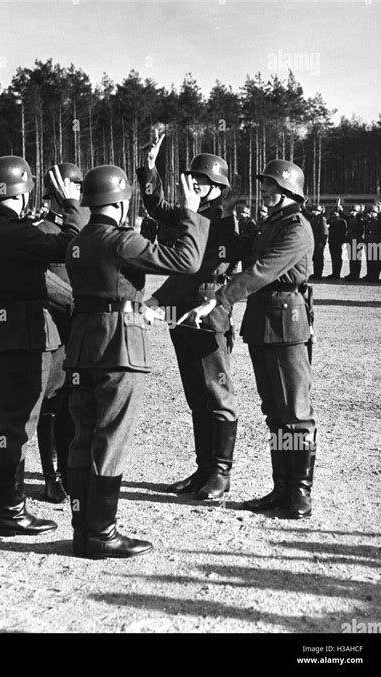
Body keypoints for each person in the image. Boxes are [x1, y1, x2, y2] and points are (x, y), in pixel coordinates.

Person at [64, 164, 210, 559]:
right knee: (110, 438)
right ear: (122, 200)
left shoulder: (78, 240)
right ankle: (102, 534)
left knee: (83, 437)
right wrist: (191, 211)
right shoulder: (120, 240)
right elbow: (187, 260)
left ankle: (83, 528)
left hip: (82, 347)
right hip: (118, 347)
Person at [179, 159, 318, 520]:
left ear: (289, 191)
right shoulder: (269, 225)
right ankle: (281, 487)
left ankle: (299, 492)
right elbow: (238, 249)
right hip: (262, 323)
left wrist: (220, 297)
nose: (265, 192)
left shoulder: (296, 228)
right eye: (265, 186)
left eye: (271, 187)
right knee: (274, 413)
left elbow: (261, 271)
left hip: (287, 324)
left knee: (295, 414)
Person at [0, 155, 83, 537]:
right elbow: (71, 246)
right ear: (23, 190)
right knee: (17, 425)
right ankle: (11, 512)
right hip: (24, 336)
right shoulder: (19, 232)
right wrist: (71, 205)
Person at [137, 137, 253, 501]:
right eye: (189, 179)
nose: (191, 185)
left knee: (217, 395)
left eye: (199, 181)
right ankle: (203, 468)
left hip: (210, 315)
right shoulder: (192, 215)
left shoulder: (226, 223)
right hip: (182, 316)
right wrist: (150, 168)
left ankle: (220, 473)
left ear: (218, 188)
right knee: (196, 396)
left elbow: (208, 270)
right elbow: (156, 207)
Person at [33, 162, 89, 502]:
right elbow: (39, 276)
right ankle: (52, 476)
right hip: (52, 327)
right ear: (52, 197)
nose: (77, 196)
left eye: (80, 190)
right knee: (51, 402)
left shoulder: (82, 229)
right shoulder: (39, 231)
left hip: (80, 329)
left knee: (75, 400)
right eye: (70, 190)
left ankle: (71, 471)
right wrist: (73, 301)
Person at [362, 205, 381, 282]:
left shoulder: (379, 222)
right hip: (368, 242)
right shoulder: (368, 221)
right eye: (370, 212)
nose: (371, 213)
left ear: (377, 213)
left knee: (376, 261)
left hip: (376, 243)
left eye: (373, 212)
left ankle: (375, 276)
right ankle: (370, 275)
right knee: (369, 260)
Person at [343, 204, 365, 281]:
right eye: (351, 211)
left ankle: (356, 275)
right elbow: (343, 215)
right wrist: (338, 206)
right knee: (351, 259)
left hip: (358, 241)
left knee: (357, 259)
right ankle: (352, 274)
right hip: (350, 240)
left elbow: (362, 230)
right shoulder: (350, 218)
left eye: (354, 211)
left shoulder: (360, 220)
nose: (352, 212)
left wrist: (362, 211)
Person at [326, 207, 347, 279]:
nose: (334, 214)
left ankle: (337, 274)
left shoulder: (342, 221)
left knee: (337, 259)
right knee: (333, 258)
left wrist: (343, 242)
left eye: (335, 212)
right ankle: (334, 273)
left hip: (338, 242)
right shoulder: (331, 220)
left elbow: (343, 233)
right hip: (332, 242)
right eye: (333, 212)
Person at [309, 205, 328, 280]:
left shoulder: (322, 218)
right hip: (314, 241)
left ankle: (319, 274)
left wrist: (322, 242)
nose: (312, 212)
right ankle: (315, 273)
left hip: (319, 241)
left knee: (319, 258)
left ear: (318, 211)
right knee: (315, 258)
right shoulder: (313, 218)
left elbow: (324, 232)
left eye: (314, 210)